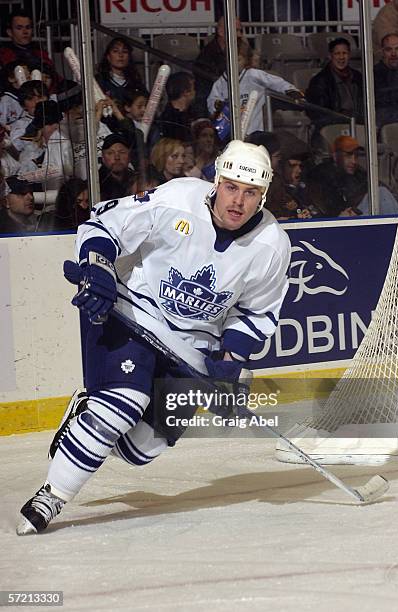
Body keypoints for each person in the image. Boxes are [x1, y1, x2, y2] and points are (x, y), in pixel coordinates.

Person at [16, 139, 291, 535]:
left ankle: (86, 418)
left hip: (192, 346)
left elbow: (256, 312)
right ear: (216, 180)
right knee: (124, 404)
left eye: (250, 193)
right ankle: (52, 495)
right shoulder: (178, 198)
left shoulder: (271, 245)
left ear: (263, 196)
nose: (238, 201)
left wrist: (229, 365)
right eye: (232, 186)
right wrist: (98, 269)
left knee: (141, 449)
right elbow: (103, 224)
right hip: (132, 315)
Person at [207, 39, 302, 136]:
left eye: (238, 59)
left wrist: (291, 90)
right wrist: (217, 106)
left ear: (246, 60)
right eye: (230, 59)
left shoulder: (253, 75)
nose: (234, 63)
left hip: (255, 132)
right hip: (230, 134)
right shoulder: (220, 83)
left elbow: (276, 82)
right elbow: (212, 102)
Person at [306, 135, 398, 217]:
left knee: (382, 193)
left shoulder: (358, 171)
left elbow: (376, 188)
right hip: (338, 221)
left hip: (358, 215)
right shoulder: (322, 174)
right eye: (348, 155)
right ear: (335, 156)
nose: (354, 161)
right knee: (381, 193)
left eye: (356, 156)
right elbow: (328, 208)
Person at [306, 38, 363, 130]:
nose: (341, 57)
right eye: (337, 53)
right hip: (334, 126)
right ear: (330, 56)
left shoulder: (358, 77)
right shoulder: (319, 81)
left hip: (359, 123)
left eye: (344, 53)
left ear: (349, 55)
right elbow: (319, 113)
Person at [193, 15, 245, 115]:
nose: (240, 35)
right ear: (221, 32)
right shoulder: (206, 58)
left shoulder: (242, 48)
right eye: (236, 31)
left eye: (240, 31)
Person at [95, 37, 144, 106]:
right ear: (108, 57)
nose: (121, 55)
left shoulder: (135, 82)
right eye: (115, 51)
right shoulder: (99, 81)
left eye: (124, 52)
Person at [374, 33, 398, 127]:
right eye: (388, 49)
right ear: (382, 52)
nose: (393, 54)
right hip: (385, 123)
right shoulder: (374, 73)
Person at [158, 72, 198, 142]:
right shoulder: (167, 121)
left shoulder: (193, 114)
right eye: (194, 88)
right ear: (185, 92)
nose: (195, 92)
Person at [98, 132, 136, 200]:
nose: (117, 157)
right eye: (110, 153)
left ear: (129, 156)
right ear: (103, 158)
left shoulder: (136, 180)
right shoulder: (96, 183)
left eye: (122, 152)